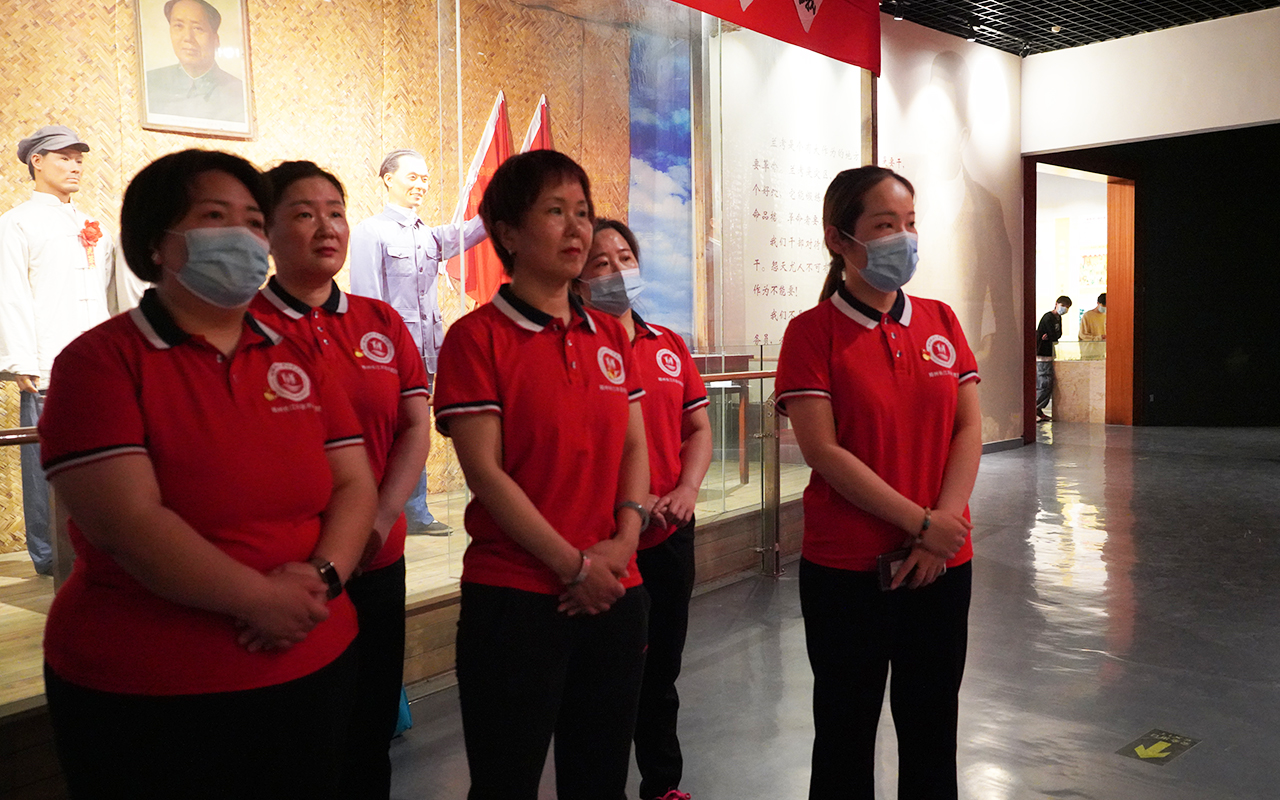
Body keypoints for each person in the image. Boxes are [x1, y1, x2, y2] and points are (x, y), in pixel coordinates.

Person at [36, 149, 378, 798]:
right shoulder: (100, 362)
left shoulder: (298, 352)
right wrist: (260, 601)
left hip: (312, 655)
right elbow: (129, 524)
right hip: (153, 685)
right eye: (216, 216)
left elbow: (353, 483)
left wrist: (324, 577)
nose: (244, 236)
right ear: (157, 242)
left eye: (254, 221)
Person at [433, 150, 650, 799]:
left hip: (616, 587)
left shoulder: (609, 335)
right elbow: (487, 474)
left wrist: (622, 544)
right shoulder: (476, 338)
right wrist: (573, 567)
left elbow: (634, 450)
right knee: (507, 781)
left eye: (582, 212)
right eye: (556, 211)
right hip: (519, 596)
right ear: (507, 232)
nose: (577, 228)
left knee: (600, 779)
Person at [775, 166, 982, 800]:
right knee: (845, 734)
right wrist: (922, 523)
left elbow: (968, 428)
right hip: (848, 570)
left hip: (943, 563)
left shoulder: (942, 321)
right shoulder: (812, 333)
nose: (904, 238)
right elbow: (824, 451)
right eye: (885, 225)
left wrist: (942, 528)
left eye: (910, 223)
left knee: (931, 731)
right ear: (839, 239)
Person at [253, 160, 432, 799]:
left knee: (368, 727)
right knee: (293, 743)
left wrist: (379, 521)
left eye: (336, 212)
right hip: (284, 570)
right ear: (265, 231)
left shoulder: (381, 323)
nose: (327, 227)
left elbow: (415, 426)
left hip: (377, 556)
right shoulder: (242, 325)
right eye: (305, 214)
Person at [577, 219, 711, 800]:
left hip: (669, 537)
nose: (616, 271)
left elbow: (697, 428)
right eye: (600, 262)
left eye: (624, 258)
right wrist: (634, 505)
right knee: (604, 681)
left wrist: (686, 491)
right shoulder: (574, 350)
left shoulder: (668, 345)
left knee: (662, 674)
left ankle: (663, 785)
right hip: (604, 544)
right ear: (577, 278)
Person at [349, 148, 488, 535]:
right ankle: (378, 514)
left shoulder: (428, 235)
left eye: (425, 178)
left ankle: (415, 514)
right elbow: (367, 303)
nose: (421, 185)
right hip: (389, 356)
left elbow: (472, 231)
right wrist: (376, 358)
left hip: (426, 356)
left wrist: (505, 201)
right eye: (413, 177)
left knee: (416, 433)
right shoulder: (370, 232)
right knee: (386, 434)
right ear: (388, 179)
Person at [1, 125, 116, 576]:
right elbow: (10, 294)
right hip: (47, 361)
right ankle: (49, 554)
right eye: (64, 158)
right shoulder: (17, 223)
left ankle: (98, 546)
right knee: (43, 460)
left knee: (102, 457)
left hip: (96, 363)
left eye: (79, 159)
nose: (75, 166)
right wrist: (22, 360)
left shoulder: (92, 224)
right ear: (37, 161)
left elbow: (107, 295)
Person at [145, 0, 246, 123]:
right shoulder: (149, 84)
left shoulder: (239, 93)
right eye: (178, 26)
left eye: (198, 28)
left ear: (216, 40)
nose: (188, 37)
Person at [1036, 295, 1072, 422]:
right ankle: (1035, 408)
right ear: (1056, 304)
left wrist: (1052, 337)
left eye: (1067, 307)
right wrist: (1051, 336)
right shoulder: (1048, 317)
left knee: (1047, 383)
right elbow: (1051, 335)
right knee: (1043, 383)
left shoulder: (1058, 318)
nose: (1064, 309)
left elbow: (1058, 335)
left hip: (1050, 352)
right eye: (1063, 306)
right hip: (1042, 354)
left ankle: (1038, 410)